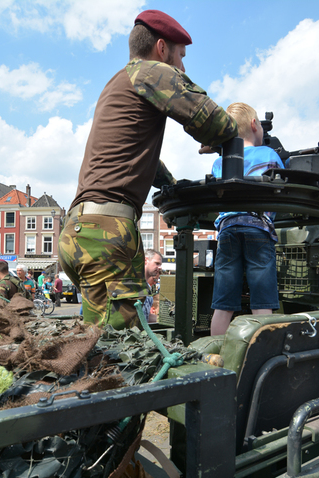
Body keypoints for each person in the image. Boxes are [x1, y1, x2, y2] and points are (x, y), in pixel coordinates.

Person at [58, 9, 237, 329]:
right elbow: (215, 122)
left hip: (82, 229)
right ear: (162, 48)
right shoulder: (149, 72)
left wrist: (171, 186)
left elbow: (140, 160)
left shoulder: (119, 83)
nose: (182, 66)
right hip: (104, 233)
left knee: (104, 336)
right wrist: (230, 137)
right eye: (180, 56)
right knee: (118, 350)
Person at [208, 103, 285, 336]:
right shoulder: (269, 154)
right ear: (254, 125)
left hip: (228, 230)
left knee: (223, 304)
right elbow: (282, 182)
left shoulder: (219, 162)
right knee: (262, 301)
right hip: (257, 228)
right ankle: (262, 352)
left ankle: (215, 351)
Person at [143, 249, 163, 323]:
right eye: (157, 263)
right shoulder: (133, 283)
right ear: (145, 260)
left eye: (160, 264)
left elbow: (147, 316)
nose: (160, 267)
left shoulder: (148, 287)